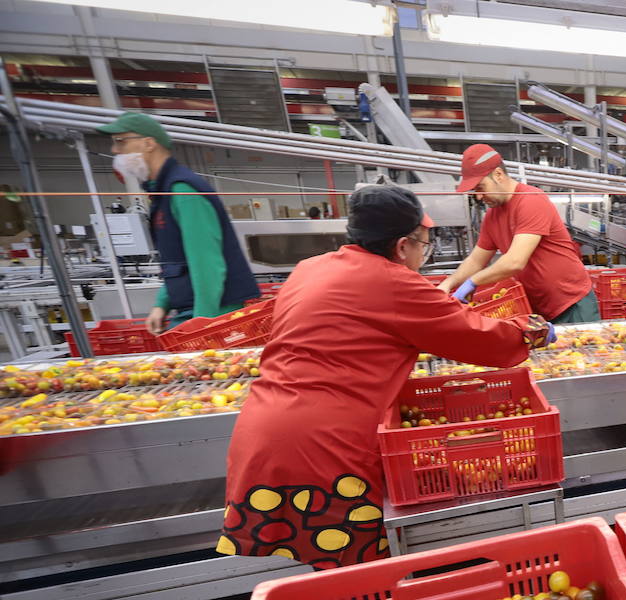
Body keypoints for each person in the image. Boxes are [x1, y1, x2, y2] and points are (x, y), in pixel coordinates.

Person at [218, 185, 554, 569]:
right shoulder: (395, 282)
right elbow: (477, 339)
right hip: (325, 446)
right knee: (358, 580)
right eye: (423, 246)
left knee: (326, 573)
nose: (422, 256)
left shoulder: (311, 267)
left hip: (263, 430)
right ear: (401, 246)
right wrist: (531, 330)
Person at [95, 112, 259, 334]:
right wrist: (161, 304)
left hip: (215, 311)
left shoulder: (183, 190)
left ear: (149, 143)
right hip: (191, 310)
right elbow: (176, 261)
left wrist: (202, 324)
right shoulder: (163, 192)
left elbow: (207, 263)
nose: (115, 150)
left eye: (120, 141)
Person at [440, 144, 599, 324]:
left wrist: (473, 282)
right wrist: (448, 284)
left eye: (480, 187)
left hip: (571, 303)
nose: (478, 196)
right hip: (537, 309)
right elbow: (476, 260)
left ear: (498, 175)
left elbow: (515, 262)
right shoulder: (492, 216)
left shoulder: (530, 200)